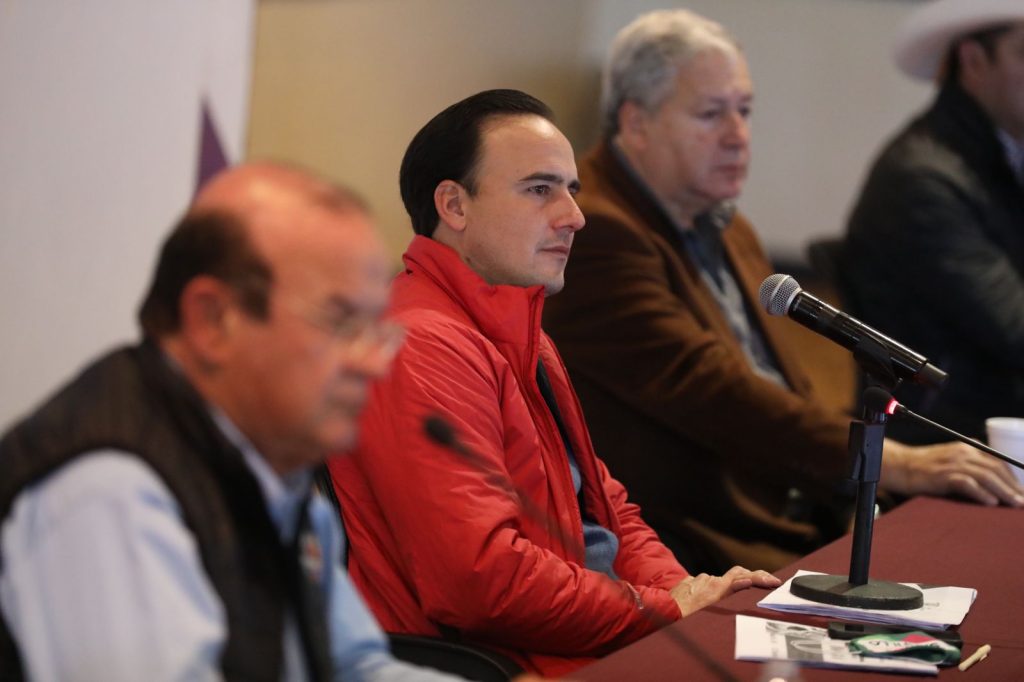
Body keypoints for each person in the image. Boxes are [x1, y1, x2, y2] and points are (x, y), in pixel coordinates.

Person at [541, 9, 1024, 577]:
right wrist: (887, 461)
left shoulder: (727, 224)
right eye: (711, 114)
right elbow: (709, 389)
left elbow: (786, 387)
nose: (737, 136)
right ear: (636, 121)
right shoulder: (597, 230)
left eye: (744, 111)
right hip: (701, 539)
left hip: (800, 502)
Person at [326, 89, 780, 677]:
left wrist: (683, 594)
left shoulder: (523, 332)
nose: (574, 216)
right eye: (540, 189)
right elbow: (482, 581)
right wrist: (666, 610)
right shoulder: (423, 345)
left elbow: (607, 513)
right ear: (454, 205)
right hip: (507, 662)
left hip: (587, 637)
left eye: (572, 189)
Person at [0, 162, 468, 681]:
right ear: (212, 320)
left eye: (376, 328)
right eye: (340, 323)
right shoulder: (113, 493)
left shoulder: (273, 461)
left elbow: (352, 666)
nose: (375, 363)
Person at [842, 0, 1024, 443]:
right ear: (974, 61)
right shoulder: (922, 179)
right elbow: (1016, 331)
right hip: (950, 442)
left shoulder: (1000, 158)